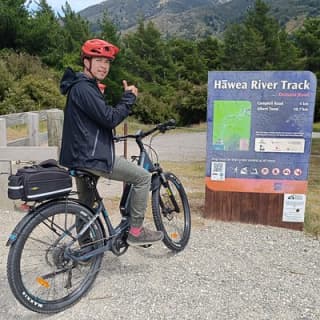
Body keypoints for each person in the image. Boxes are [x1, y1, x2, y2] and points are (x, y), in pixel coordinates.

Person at [59, 38, 163, 246]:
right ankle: (136, 231)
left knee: (86, 205)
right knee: (143, 177)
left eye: (107, 62)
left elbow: (93, 123)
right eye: (98, 60)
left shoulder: (82, 86)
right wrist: (128, 99)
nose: (104, 66)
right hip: (92, 157)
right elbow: (110, 118)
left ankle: (86, 247)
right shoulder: (84, 88)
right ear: (86, 62)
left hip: (79, 157)